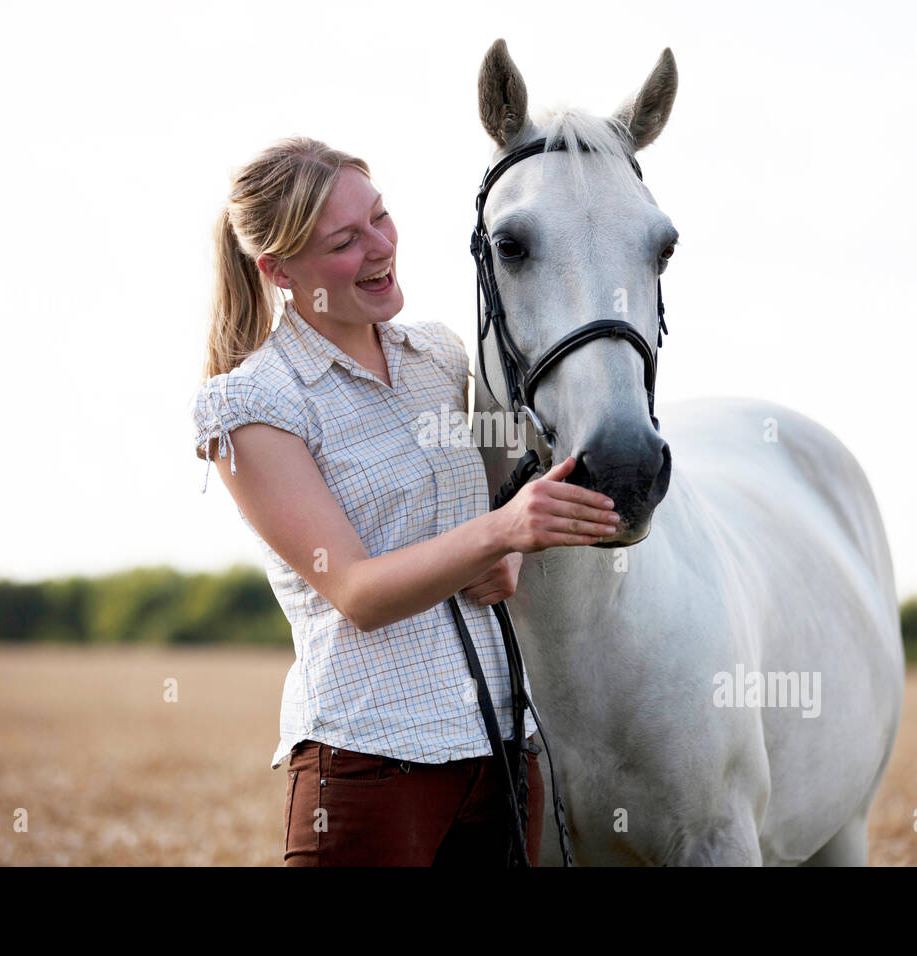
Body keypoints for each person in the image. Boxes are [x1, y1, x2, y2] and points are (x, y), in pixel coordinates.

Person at [190, 136, 621, 866]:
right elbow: (357, 591)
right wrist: (501, 532)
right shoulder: (251, 403)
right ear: (279, 270)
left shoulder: (442, 357)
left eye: (380, 218)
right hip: (369, 767)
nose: (380, 247)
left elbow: (469, 522)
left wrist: (506, 551)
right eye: (344, 241)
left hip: (502, 752)